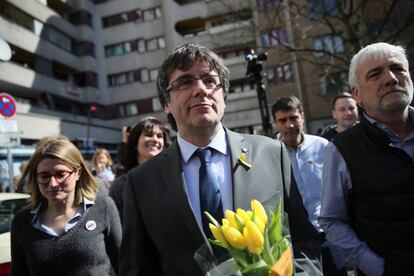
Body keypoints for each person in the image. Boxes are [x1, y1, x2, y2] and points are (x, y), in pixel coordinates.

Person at [120, 43, 291, 276]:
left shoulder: (272, 154)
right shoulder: (141, 182)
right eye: (185, 82)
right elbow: (137, 268)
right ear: (166, 104)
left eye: (210, 80)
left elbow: (305, 244)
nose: (201, 89)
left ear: (223, 95)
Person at [319, 42, 414, 276]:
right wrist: (376, 267)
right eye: (375, 74)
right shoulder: (342, 149)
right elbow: (332, 220)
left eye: (398, 68)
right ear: (357, 94)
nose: (391, 78)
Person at [11, 138, 121, 275]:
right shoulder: (22, 221)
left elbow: (123, 263)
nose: (53, 184)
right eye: (44, 176)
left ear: (78, 173)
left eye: (61, 175)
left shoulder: (103, 207)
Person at [272, 95, 346, 275]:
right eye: (282, 120)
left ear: (302, 117)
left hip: (329, 236)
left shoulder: (323, 147)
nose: (289, 125)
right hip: (298, 242)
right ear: (275, 123)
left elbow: (341, 189)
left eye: (294, 118)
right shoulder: (271, 154)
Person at [109, 116, 170, 220]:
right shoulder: (120, 185)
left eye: (159, 136)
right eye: (148, 135)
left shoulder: (174, 177)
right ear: (135, 143)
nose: (155, 139)